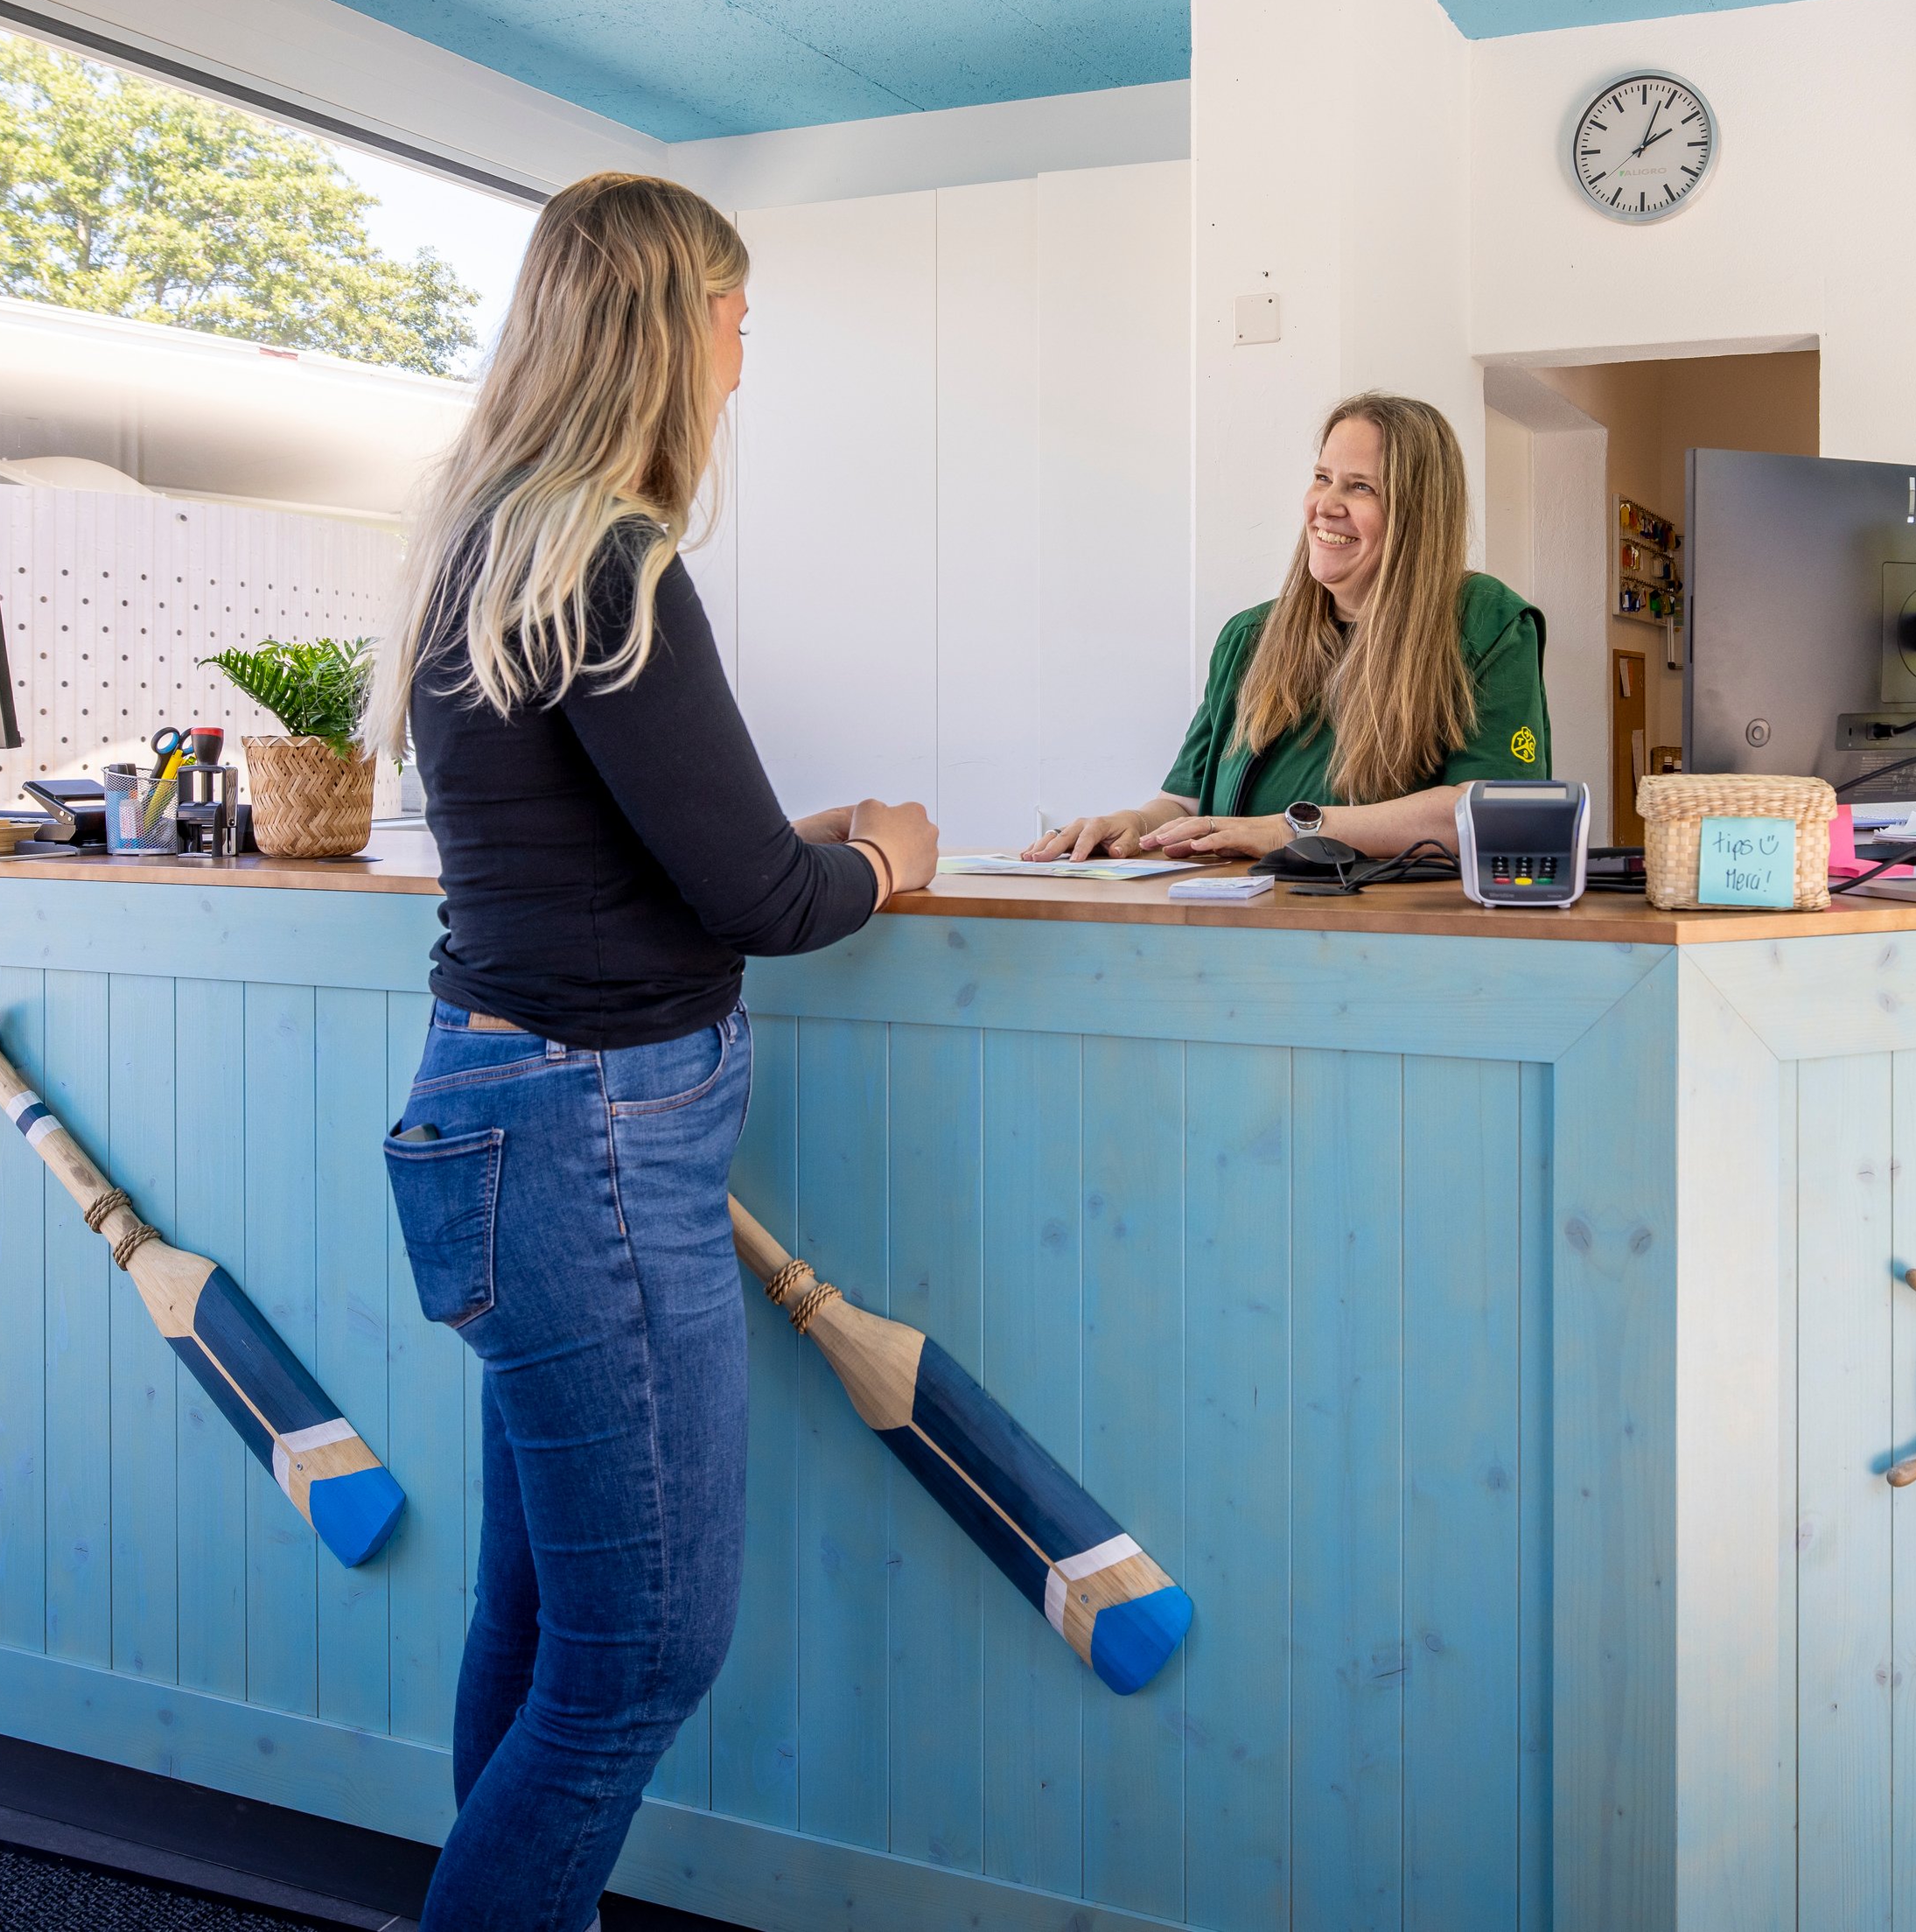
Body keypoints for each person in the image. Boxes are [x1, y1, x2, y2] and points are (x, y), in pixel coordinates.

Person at [374, 172, 936, 1932]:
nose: (744, 351)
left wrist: (791, 836)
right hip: (594, 1145)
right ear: (664, 326)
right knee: (641, 1658)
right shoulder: (608, 554)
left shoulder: (492, 548)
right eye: (732, 313)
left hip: (493, 1111)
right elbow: (762, 898)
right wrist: (888, 854)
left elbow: (644, 841)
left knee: (540, 1626)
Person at [1029, 390, 1550, 864]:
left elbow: (1494, 812)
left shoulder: (1487, 622)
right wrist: (1136, 825)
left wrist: (1290, 830)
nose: (1325, 505)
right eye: (1322, 478)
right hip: (1236, 927)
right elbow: (1187, 802)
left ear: (1418, 513)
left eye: (1361, 486)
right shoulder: (1249, 637)